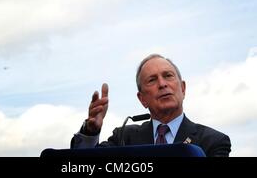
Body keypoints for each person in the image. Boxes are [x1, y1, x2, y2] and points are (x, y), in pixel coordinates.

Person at [71, 54, 231, 157]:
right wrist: (91, 132)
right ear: (142, 99)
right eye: (152, 80)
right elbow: (84, 166)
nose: (162, 84)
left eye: (168, 76)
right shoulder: (124, 137)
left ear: (182, 89)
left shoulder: (213, 142)